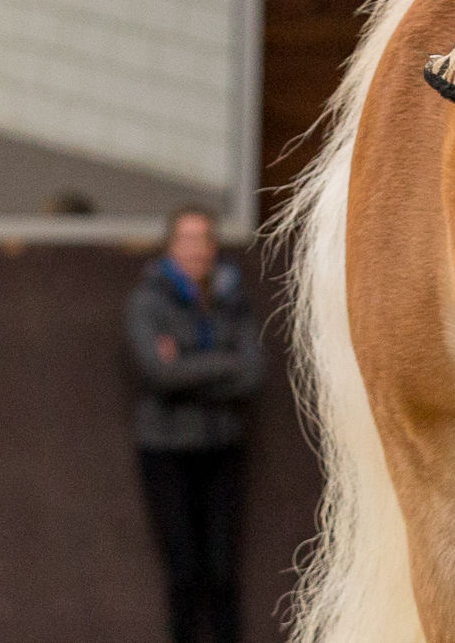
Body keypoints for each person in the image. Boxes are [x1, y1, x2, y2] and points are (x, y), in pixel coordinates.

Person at [126, 205, 264, 643]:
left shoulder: (231, 299)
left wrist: (188, 367)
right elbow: (157, 374)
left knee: (223, 572)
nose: (196, 248)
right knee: (183, 572)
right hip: (166, 450)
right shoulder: (147, 301)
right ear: (171, 246)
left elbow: (252, 374)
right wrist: (224, 364)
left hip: (222, 447)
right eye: (186, 238)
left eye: (204, 239)